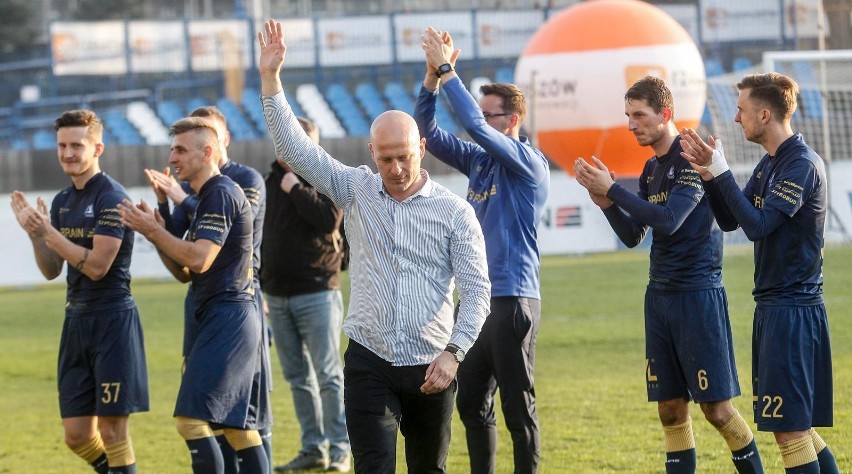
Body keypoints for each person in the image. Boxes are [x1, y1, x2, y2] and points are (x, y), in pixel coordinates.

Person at [258, 19, 491, 473]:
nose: (397, 168)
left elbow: (478, 292)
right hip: (370, 360)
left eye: (404, 156)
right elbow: (297, 148)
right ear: (371, 153)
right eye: (386, 159)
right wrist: (272, 79)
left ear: (421, 148)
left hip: (433, 366)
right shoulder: (355, 190)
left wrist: (454, 353)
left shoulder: (454, 211)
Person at [573, 76, 764, 473]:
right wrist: (607, 202)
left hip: (697, 295)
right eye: (627, 115)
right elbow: (633, 235)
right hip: (659, 298)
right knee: (670, 408)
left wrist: (615, 190)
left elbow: (670, 219)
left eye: (639, 114)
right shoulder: (649, 169)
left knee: (718, 410)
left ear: (666, 114)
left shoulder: (692, 156)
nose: (631, 124)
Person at [680, 72, 839, 474]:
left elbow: (759, 226)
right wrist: (710, 176)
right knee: (795, 426)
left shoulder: (800, 165)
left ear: (764, 114)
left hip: (793, 309)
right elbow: (732, 220)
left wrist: (721, 171)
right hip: (776, 307)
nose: (736, 119)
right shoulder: (772, 163)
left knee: (790, 431)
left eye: (741, 110)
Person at [413, 26, 549, 474]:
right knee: (471, 403)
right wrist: (433, 77)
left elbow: (470, 123)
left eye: (491, 116)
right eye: (483, 114)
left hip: (512, 299)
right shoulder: (480, 161)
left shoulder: (529, 163)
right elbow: (424, 132)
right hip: (475, 301)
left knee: (517, 408)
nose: (479, 121)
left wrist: (450, 68)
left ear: (511, 122)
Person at [117, 117, 268, 474]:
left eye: (180, 150)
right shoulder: (205, 197)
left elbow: (199, 259)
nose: (172, 158)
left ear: (208, 152)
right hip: (223, 315)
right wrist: (160, 226)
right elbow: (183, 272)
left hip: (229, 316)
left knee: (191, 421)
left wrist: (154, 232)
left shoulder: (220, 192)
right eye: (172, 149)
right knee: (236, 428)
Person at [10, 109, 149, 474]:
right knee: (76, 436)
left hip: (112, 319)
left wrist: (49, 233)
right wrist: (35, 235)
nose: (68, 153)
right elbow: (52, 270)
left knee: (113, 430)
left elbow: (98, 266)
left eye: (76, 145)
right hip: (76, 319)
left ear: (98, 148)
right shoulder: (62, 201)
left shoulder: (112, 198)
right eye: (62, 146)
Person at [260, 116, 351, 473]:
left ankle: (340, 449)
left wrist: (294, 186)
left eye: (300, 142)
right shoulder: (268, 180)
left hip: (317, 290)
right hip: (277, 293)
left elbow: (329, 220)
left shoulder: (327, 177)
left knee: (328, 375)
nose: (292, 149)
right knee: (297, 378)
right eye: (286, 142)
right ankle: (313, 448)